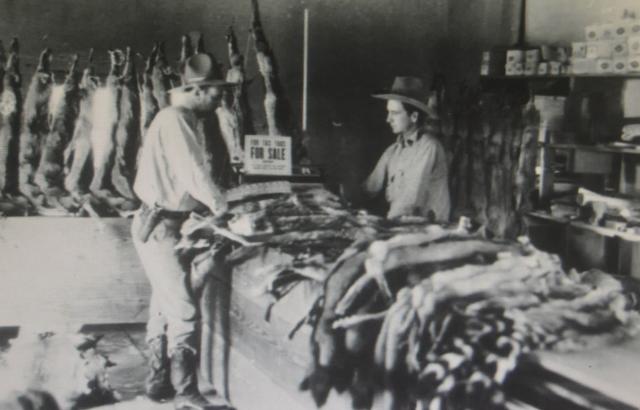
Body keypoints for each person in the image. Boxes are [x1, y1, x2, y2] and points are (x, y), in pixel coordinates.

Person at [131, 53, 231, 410]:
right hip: (161, 226)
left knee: (164, 303)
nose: (220, 99)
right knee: (184, 309)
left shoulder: (178, 118)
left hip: (165, 223)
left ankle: (158, 382)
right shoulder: (175, 120)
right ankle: (186, 393)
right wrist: (223, 208)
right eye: (216, 92)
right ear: (198, 90)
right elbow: (193, 172)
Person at [363, 76, 450, 222]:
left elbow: (410, 201)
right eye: (388, 112)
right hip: (401, 223)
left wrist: (387, 226)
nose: (388, 119)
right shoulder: (393, 151)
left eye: (395, 113)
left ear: (414, 116)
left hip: (427, 229)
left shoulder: (429, 147)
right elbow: (370, 188)